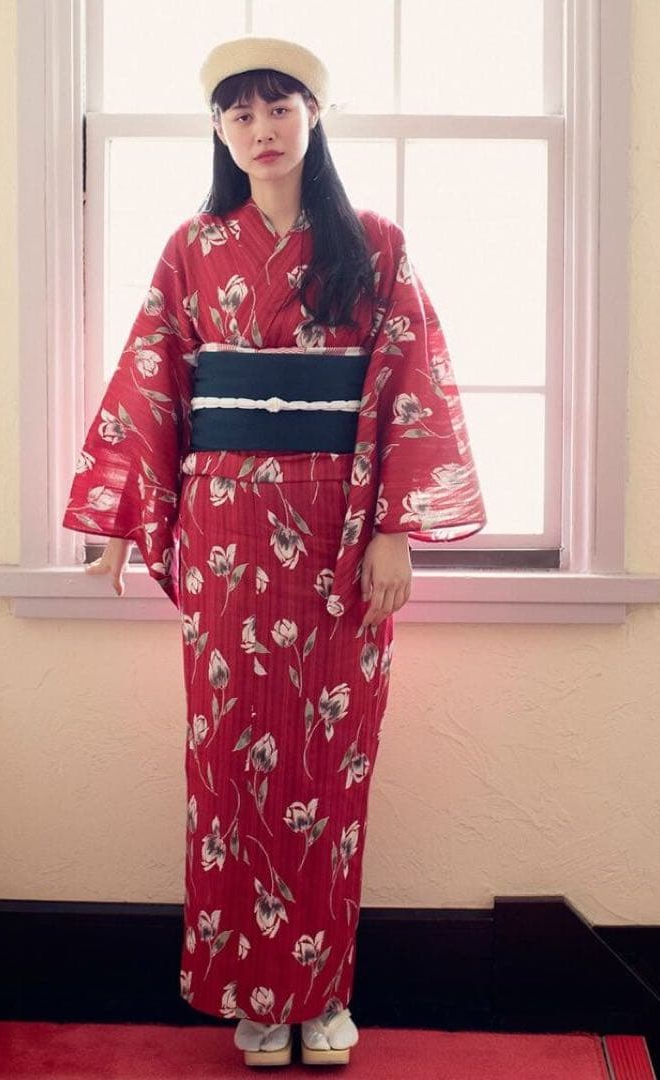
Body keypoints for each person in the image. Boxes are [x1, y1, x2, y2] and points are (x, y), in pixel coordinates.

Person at [61, 34, 487, 1069]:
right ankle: (255, 997)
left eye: (279, 107)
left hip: (339, 530)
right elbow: (152, 381)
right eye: (240, 112)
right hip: (226, 528)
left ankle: (323, 994)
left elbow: (410, 381)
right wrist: (115, 521)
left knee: (330, 762)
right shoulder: (193, 247)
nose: (261, 129)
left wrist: (394, 529)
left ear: (314, 115)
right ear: (218, 128)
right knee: (231, 760)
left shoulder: (373, 244)